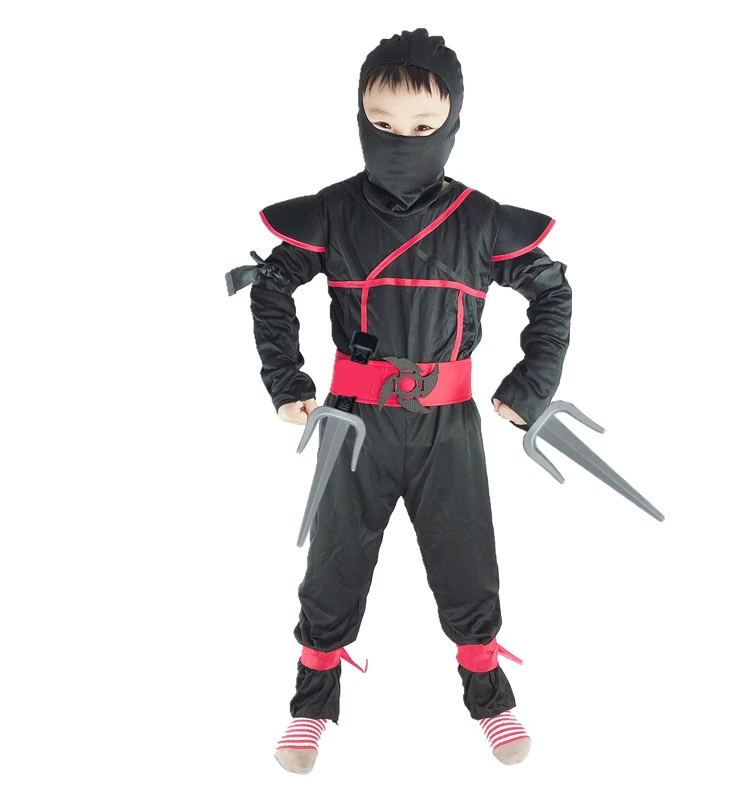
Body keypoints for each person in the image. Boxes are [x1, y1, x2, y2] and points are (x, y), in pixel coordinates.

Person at [225, 28, 572, 773]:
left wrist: (531, 383)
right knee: (335, 560)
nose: (400, 140)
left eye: (421, 126)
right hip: (352, 422)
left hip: (449, 423)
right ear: (359, 116)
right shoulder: (332, 212)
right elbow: (271, 286)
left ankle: (489, 696)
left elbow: (551, 289)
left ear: (451, 123)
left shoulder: (481, 219)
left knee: (466, 557)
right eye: (381, 123)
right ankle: (310, 707)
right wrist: (287, 382)